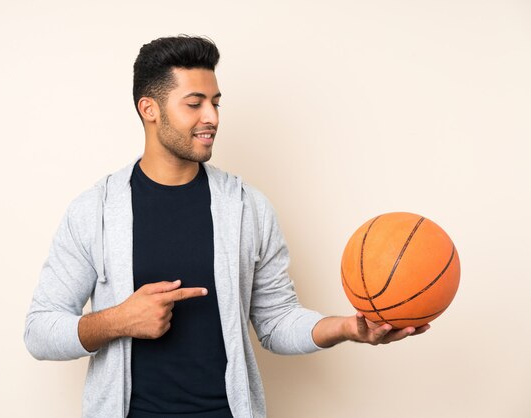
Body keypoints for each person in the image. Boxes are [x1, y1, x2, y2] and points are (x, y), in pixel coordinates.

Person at [24, 35, 429, 418]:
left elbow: (276, 322)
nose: (212, 117)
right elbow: (40, 330)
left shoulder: (247, 207)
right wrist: (119, 320)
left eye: (216, 103)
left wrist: (348, 328)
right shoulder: (93, 211)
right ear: (150, 109)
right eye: (194, 103)